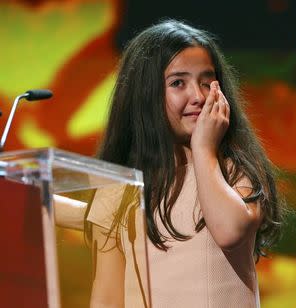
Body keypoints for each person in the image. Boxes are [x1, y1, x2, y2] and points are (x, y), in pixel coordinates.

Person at [86, 18, 285, 308]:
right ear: (145, 95)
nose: (199, 96)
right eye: (178, 83)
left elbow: (230, 231)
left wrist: (204, 150)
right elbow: (107, 296)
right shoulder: (118, 189)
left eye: (207, 82)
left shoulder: (236, 170)